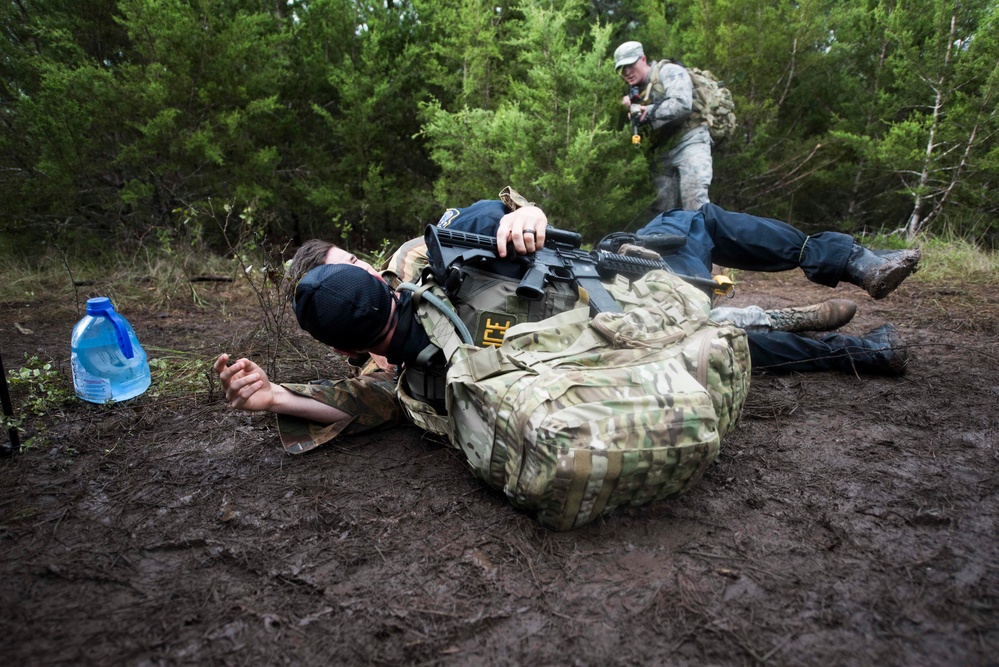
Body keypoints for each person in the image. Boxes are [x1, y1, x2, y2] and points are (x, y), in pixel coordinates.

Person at [215, 196, 919, 450]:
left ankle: (841, 266)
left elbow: (502, 220)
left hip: (597, 278)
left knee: (697, 240)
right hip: (608, 326)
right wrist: (277, 398)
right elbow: (352, 405)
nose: (369, 268)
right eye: (351, 270)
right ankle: (850, 340)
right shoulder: (387, 363)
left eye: (351, 260)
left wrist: (526, 219)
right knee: (715, 327)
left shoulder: (417, 258)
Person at [615, 40, 712, 212]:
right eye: (622, 69)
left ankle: (703, 238)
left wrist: (649, 111)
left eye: (630, 65)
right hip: (662, 150)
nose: (627, 72)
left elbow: (682, 103)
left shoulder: (669, 71)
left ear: (643, 59)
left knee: (695, 201)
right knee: (660, 209)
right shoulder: (636, 92)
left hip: (690, 140)